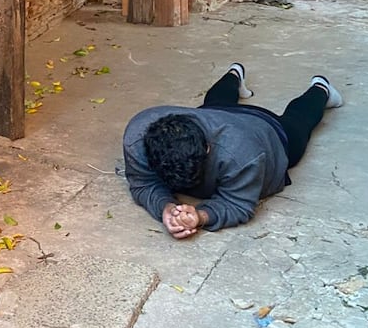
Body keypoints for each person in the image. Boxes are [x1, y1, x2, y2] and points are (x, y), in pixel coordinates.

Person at [123, 62, 343, 236]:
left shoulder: (244, 154)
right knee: (215, 105)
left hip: (267, 130)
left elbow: (239, 204)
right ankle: (234, 74)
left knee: (298, 122)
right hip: (214, 116)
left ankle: (321, 89)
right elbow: (142, 182)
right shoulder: (138, 135)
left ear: (208, 148)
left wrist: (201, 216)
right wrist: (165, 208)